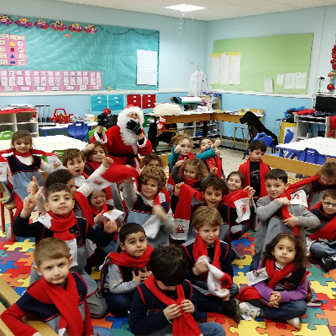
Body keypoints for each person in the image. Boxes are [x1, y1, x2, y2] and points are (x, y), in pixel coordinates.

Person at [13, 183, 117, 318]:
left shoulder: (81, 223)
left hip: (75, 273)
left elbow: (100, 240)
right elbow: (19, 230)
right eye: (56, 199)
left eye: (66, 198)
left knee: (100, 309)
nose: (62, 201)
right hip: (47, 275)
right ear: (47, 206)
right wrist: (26, 211)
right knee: (31, 312)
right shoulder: (43, 224)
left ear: (73, 203)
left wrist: (108, 232)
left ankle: (63, 304)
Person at [0, 237, 111, 336]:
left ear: (69, 262)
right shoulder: (36, 292)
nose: (56, 272)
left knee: (107, 333)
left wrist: (88, 332)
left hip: (79, 330)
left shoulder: (77, 280)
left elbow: (84, 309)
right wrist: (33, 334)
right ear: (39, 270)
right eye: (49, 268)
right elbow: (7, 316)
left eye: (61, 265)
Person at [129, 246, 225, 336]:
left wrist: (193, 309)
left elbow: (191, 317)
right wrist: (164, 317)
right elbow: (135, 327)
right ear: (153, 275)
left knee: (217, 329)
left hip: (182, 327)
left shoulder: (184, 285)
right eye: (167, 285)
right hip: (157, 330)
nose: (172, 288)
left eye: (176, 284)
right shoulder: (143, 293)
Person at [181, 206, 241, 323]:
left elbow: (228, 271)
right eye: (206, 231)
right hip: (197, 286)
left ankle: (210, 303)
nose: (211, 235)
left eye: (215, 230)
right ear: (197, 229)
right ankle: (221, 307)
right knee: (184, 291)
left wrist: (225, 287)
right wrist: (195, 272)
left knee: (235, 289)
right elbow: (181, 277)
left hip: (217, 285)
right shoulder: (187, 249)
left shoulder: (224, 247)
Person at [237, 233, 308, 329]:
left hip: (285, 300)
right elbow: (258, 282)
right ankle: (286, 316)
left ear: (296, 254)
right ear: (273, 251)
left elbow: (302, 293)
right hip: (266, 296)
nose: (284, 252)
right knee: (247, 293)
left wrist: (282, 297)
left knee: (301, 307)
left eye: (290, 250)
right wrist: (269, 295)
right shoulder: (265, 262)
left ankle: (259, 312)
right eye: (280, 248)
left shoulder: (299, 271)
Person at [252, 169, 319, 271]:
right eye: (268, 186)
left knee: (292, 273)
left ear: (286, 186)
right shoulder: (263, 201)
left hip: (289, 250)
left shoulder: (295, 205)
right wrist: (278, 202)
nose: (272, 189)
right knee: (255, 269)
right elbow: (262, 215)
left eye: (277, 186)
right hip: (265, 247)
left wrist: (297, 220)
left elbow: (315, 221)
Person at [0, 130, 57, 215]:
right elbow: (4, 177)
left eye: (26, 143)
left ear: (30, 144)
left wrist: (54, 160)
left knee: (48, 206)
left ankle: (42, 224)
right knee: (22, 210)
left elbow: (50, 169)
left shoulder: (36, 159)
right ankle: (20, 227)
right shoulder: (8, 161)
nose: (22, 146)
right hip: (20, 191)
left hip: (39, 190)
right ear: (13, 144)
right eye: (19, 143)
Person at [101, 223, 153, 316]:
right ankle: (139, 309)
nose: (138, 245)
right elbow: (113, 289)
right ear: (122, 246)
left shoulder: (151, 255)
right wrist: (135, 283)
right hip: (122, 292)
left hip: (140, 290)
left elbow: (160, 274)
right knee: (117, 301)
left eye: (141, 240)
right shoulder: (117, 263)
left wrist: (151, 277)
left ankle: (140, 308)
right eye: (132, 242)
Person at [123, 166, 174, 247]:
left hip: (158, 250)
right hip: (135, 248)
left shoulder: (164, 205)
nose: (148, 188)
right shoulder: (135, 201)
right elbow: (128, 195)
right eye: (145, 184)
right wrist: (128, 182)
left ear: (158, 187)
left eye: (153, 185)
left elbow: (172, 229)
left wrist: (163, 217)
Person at [308, 188, 336, 271]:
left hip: (333, 242)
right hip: (319, 242)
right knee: (316, 248)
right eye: (327, 203)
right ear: (322, 201)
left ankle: (331, 258)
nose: (330, 207)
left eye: (335, 205)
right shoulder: (313, 213)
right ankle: (333, 257)